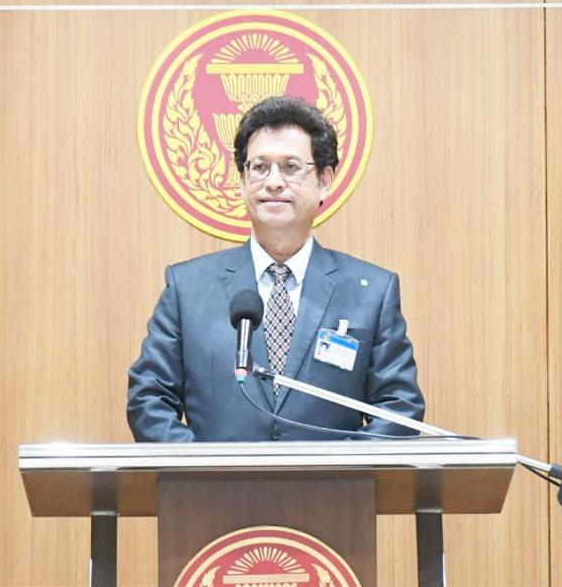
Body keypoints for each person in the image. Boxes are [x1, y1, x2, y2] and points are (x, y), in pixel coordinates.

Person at [127, 96, 424, 442]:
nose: (273, 182)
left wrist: (338, 467)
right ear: (242, 180)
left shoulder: (371, 292)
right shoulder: (187, 289)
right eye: (259, 167)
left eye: (291, 167)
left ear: (325, 180)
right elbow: (149, 400)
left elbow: (399, 408)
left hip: (332, 479)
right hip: (213, 478)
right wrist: (204, 466)